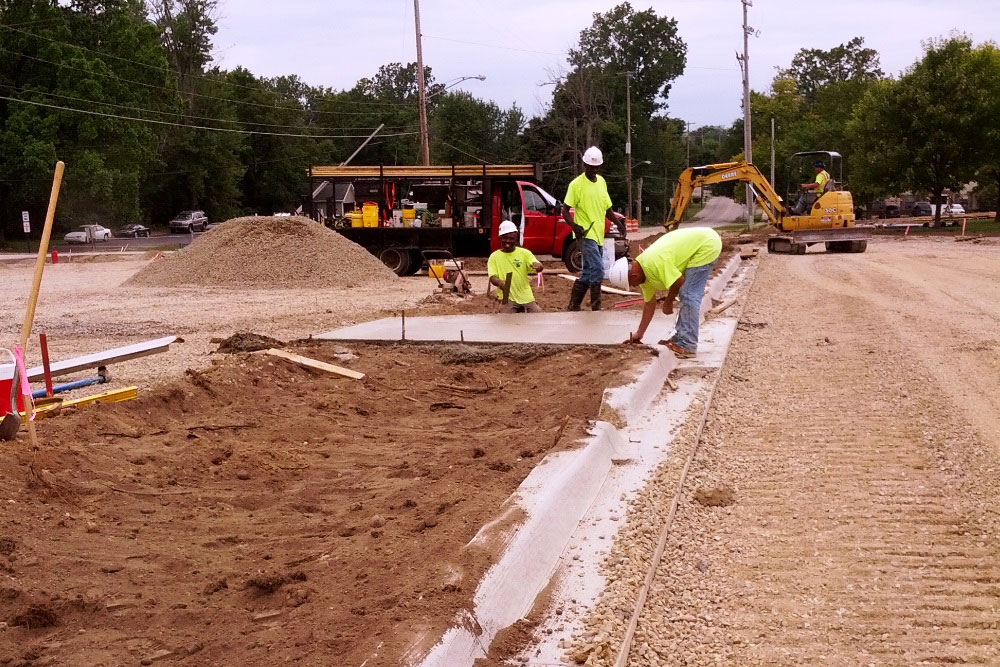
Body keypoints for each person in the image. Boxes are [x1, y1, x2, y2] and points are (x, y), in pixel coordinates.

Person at [613, 227, 722, 358]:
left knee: (689, 293)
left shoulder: (653, 263)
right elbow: (649, 304)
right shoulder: (643, 275)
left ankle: (687, 345)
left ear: (634, 275)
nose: (634, 286)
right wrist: (639, 334)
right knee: (687, 293)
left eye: (631, 284)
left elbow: (678, 281)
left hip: (706, 245)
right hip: (701, 244)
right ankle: (681, 338)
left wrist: (668, 302)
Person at [563, 146, 614, 311]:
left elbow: (608, 208)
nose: (593, 170)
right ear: (585, 165)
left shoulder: (602, 182)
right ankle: (596, 307)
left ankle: (574, 305)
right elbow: (565, 210)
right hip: (585, 234)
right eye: (590, 167)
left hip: (599, 234)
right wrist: (574, 226)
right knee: (598, 269)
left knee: (588, 271)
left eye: (596, 167)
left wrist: (619, 223)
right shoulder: (576, 185)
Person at [488, 220, 544, 313]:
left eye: (511, 238)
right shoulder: (494, 257)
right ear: (500, 238)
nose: (508, 241)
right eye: (505, 238)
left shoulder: (524, 253)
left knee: (538, 316)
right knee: (505, 320)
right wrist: (499, 282)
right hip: (506, 296)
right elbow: (492, 277)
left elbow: (536, 265)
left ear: (516, 239)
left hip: (526, 296)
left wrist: (539, 266)